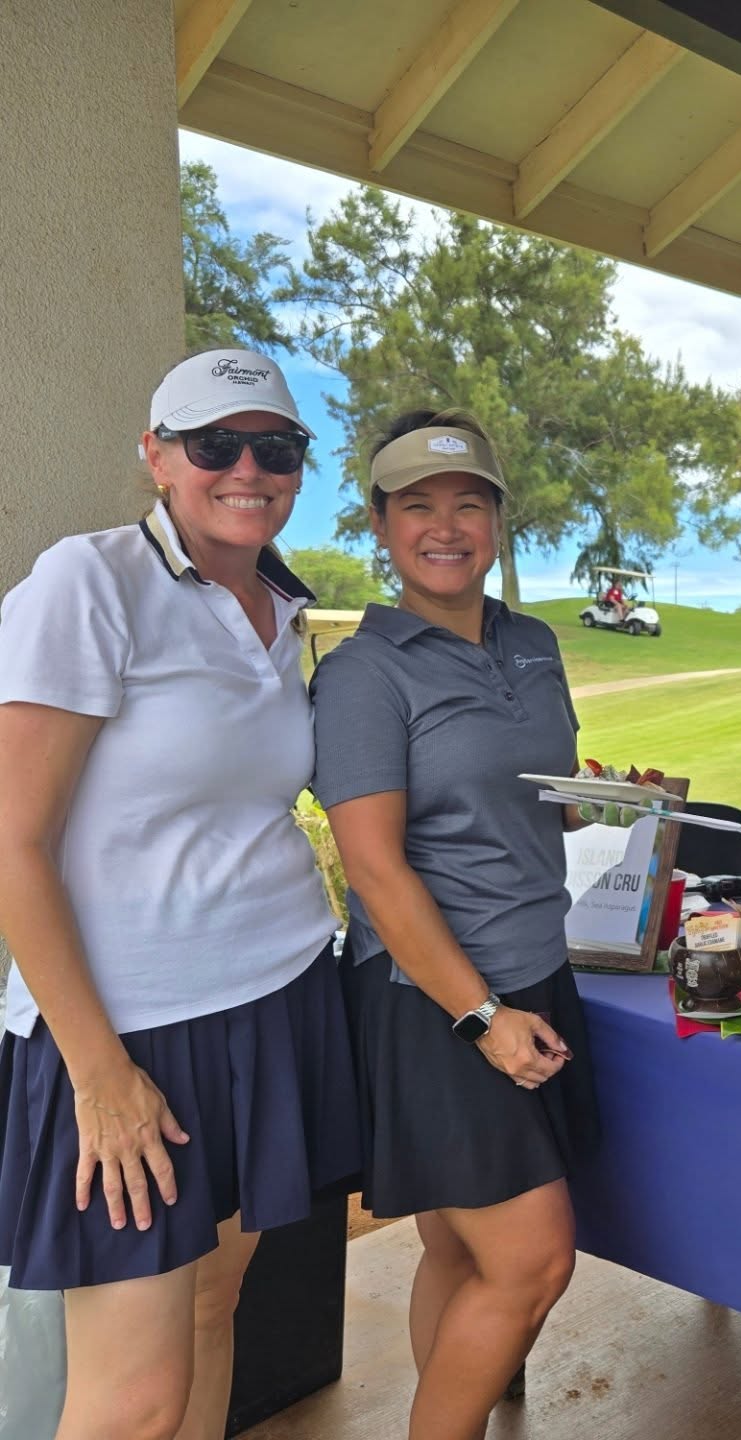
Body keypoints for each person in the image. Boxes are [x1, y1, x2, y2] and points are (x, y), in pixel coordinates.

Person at [0, 349, 358, 1440]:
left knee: (215, 1309)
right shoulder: (89, 580)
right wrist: (99, 1076)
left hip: (277, 998)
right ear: (157, 457)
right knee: (132, 1402)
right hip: (128, 1036)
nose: (248, 468)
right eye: (216, 444)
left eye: (277, 448)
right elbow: (14, 844)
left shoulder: (279, 607)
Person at [309, 409, 601, 1440]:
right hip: (433, 999)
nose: (447, 526)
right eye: (419, 506)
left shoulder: (534, 643)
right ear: (381, 524)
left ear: (497, 520)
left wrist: (590, 798)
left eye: (468, 503)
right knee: (533, 1260)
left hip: (536, 968)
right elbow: (374, 868)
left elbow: (517, 791)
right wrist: (479, 1014)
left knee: (463, 1252)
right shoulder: (362, 674)